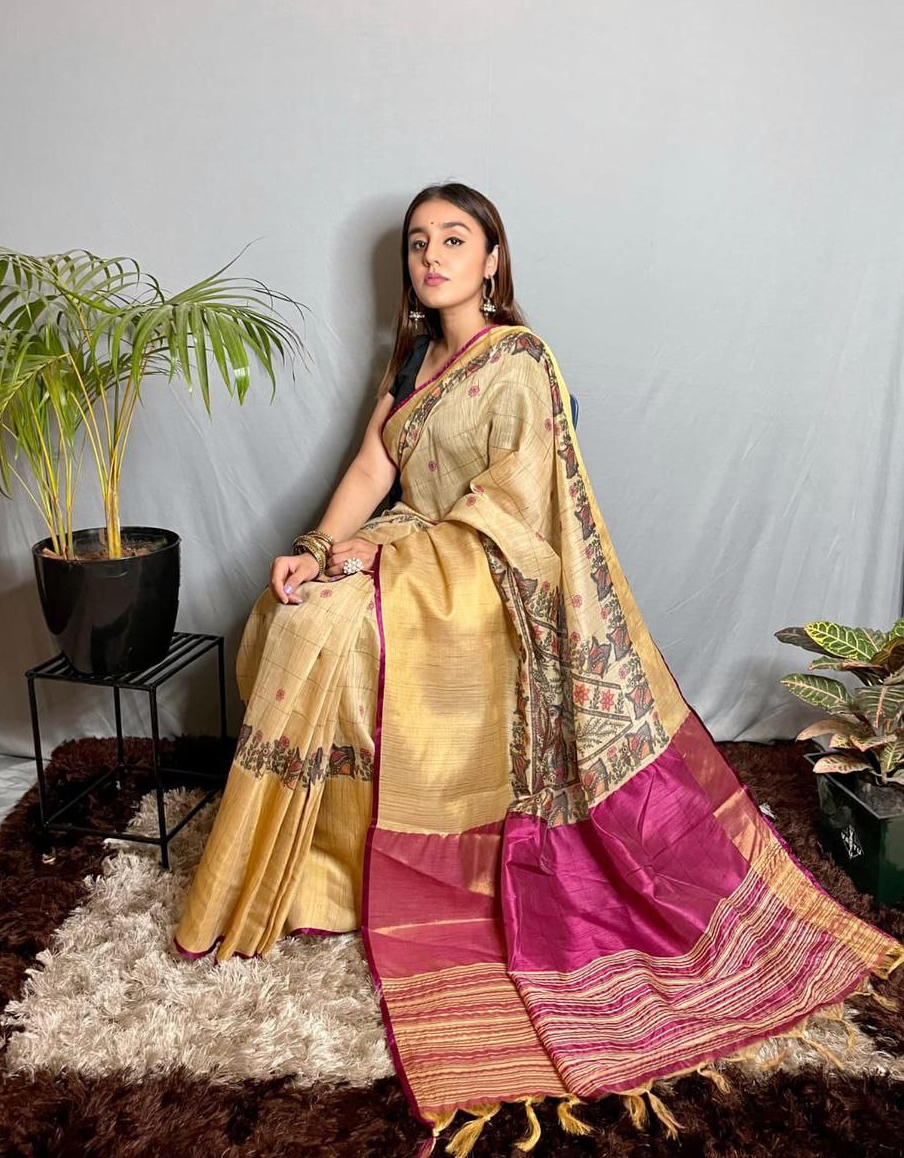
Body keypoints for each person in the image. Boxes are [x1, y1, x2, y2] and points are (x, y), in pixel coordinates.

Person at [173, 182, 903, 1156]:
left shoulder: (518, 359)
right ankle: (322, 866)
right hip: (414, 543)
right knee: (296, 608)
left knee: (346, 620)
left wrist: (386, 559)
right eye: (418, 243)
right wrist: (315, 545)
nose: (432, 257)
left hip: (485, 567)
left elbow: (517, 505)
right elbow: (371, 470)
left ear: (491, 260)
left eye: (454, 239)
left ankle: (383, 858)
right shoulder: (413, 361)